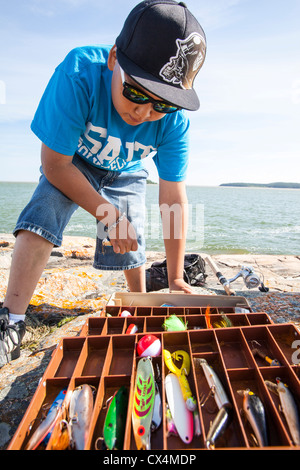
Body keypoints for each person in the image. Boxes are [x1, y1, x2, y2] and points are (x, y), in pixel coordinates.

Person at [0, 0, 206, 366]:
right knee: (45, 208)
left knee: (131, 231)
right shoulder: (79, 73)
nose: (144, 113)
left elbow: (173, 197)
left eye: (162, 105)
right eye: (137, 93)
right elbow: (54, 165)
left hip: (127, 168)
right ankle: (11, 319)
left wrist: (175, 277)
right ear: (114, 59)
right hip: (73, 161)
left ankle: (139, 305)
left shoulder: (173, 122)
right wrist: (104, 213)